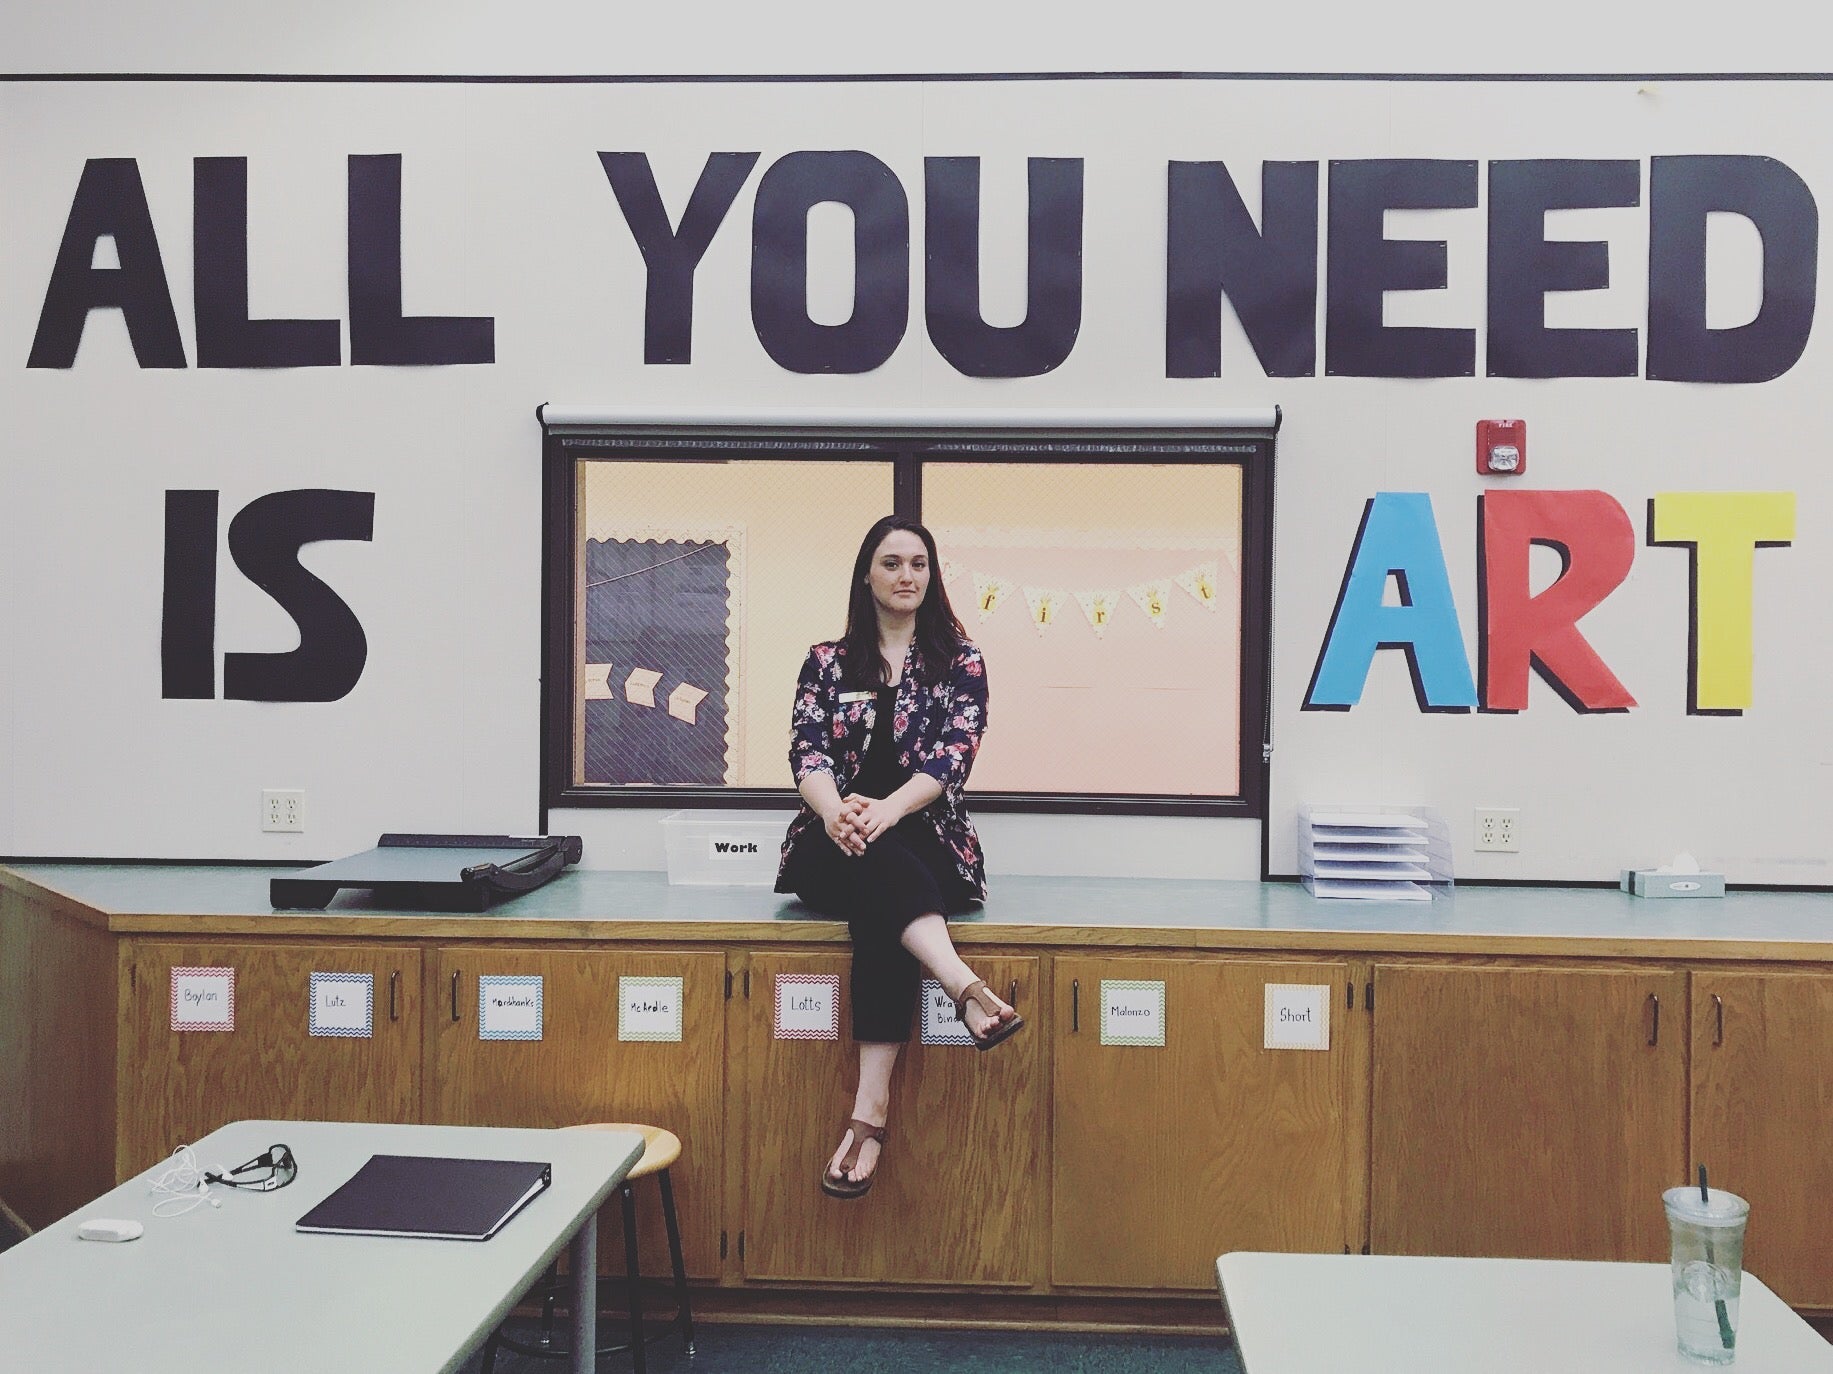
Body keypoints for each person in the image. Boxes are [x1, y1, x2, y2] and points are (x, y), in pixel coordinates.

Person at [776, 514, 1022, 1200]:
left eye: (919, 563)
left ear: (931, 576)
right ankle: (963, 988)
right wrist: (835, 812)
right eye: (891, 563)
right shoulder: (826, 661)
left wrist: (884, 810)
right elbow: (808, 754)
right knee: (871, 870)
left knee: (880, 894)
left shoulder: (960, 661)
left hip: (926, 841)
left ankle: (867, 1113)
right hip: (833, 843)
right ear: (866, 575)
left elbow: (953, 755)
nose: (906, 575)